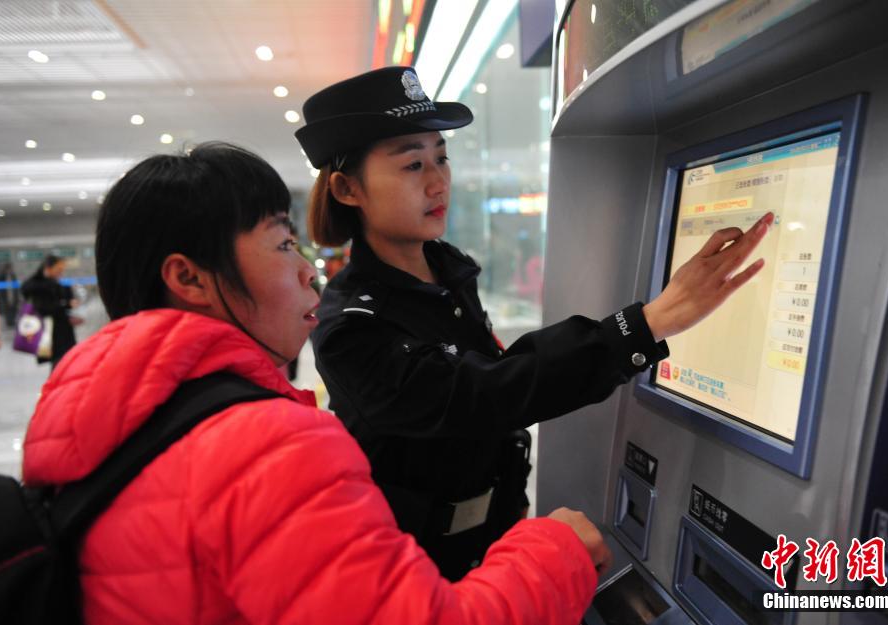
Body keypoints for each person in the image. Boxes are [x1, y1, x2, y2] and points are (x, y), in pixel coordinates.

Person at [22, 141, 610, 625]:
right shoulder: (261, 446)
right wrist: (556, 551)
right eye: (282, 245)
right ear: (188, 278)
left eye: (442, 158)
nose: (308, 271)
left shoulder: (93, 417)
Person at [296, 66, 773, 580]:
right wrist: (649, 322)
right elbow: (480, 395)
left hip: (492, 541)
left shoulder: (447, 270)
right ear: (348, 189)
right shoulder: (350, 326)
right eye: (413, 165)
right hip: (411, 568)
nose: (438, 181)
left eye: (441, 157)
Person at [20, 255, 79, 367]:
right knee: (59, 362)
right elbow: (45, 307)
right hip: (50, 330)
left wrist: (68, 306)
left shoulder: (55, 284)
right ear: (48, 268)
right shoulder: (37, 285)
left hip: (62, 329)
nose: (60, 273)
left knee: (65, 361)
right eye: (58, 270)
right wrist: (65, 304)